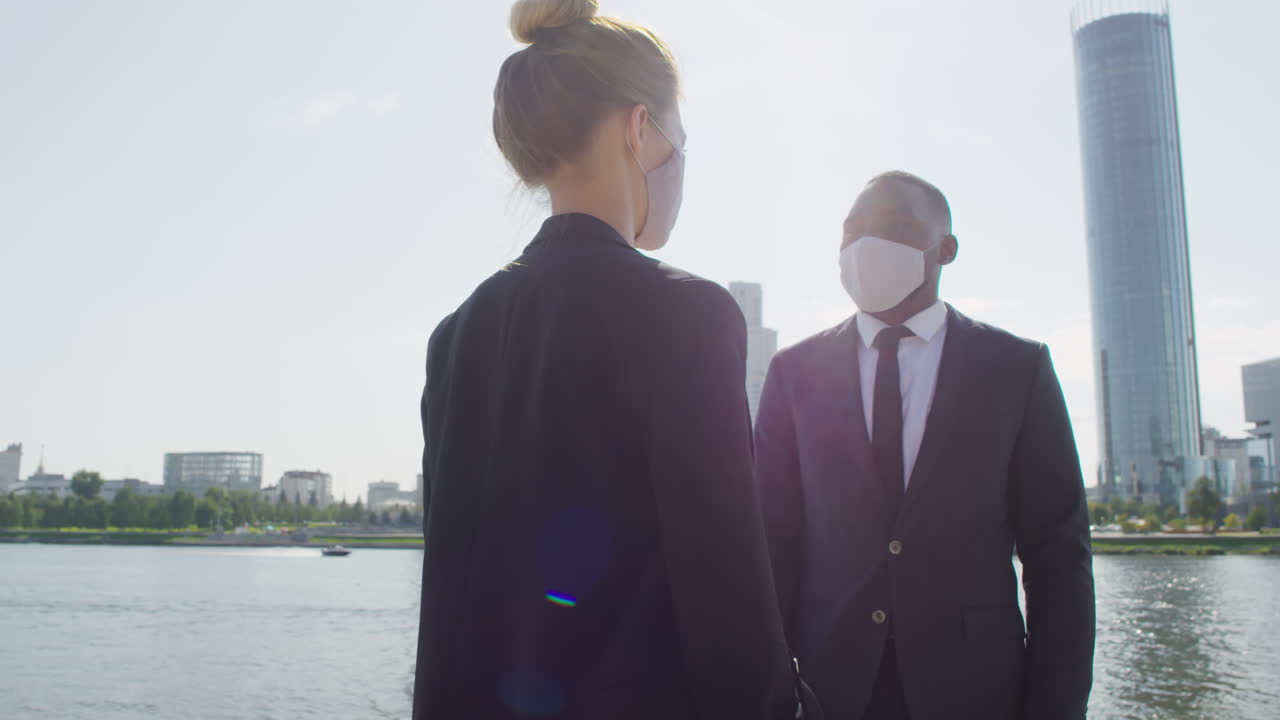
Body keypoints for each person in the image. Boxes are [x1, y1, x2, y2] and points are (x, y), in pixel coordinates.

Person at [413, 2, 812, 719]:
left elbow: (447, 595)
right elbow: (726, 595)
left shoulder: (457, 334)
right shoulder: (687, 314)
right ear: (639, 128)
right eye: (680, 140)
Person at [754, 171, 1095, 720]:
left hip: (976, 691)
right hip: (827, 690)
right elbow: (772, 543)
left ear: (946, 248)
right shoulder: (793, 373)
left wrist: (1056, 708)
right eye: (853, 229)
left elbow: (1058, 553)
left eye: (896, 225)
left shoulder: (1016, 369)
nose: (868, 242)